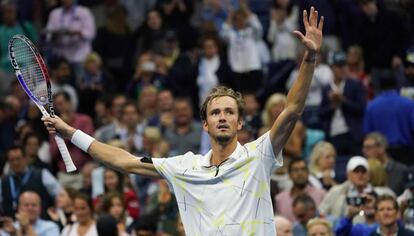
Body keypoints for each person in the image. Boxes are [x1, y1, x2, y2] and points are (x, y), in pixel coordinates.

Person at [42, 7, 324, 235]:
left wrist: (310, 58)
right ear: (205, 124)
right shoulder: (185, 167)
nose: (222, 117)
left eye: (229, 112)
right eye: (215, 113)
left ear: (240, 123)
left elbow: (292, 110)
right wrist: (70, 132)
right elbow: (124, 161)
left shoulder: (259, 154)